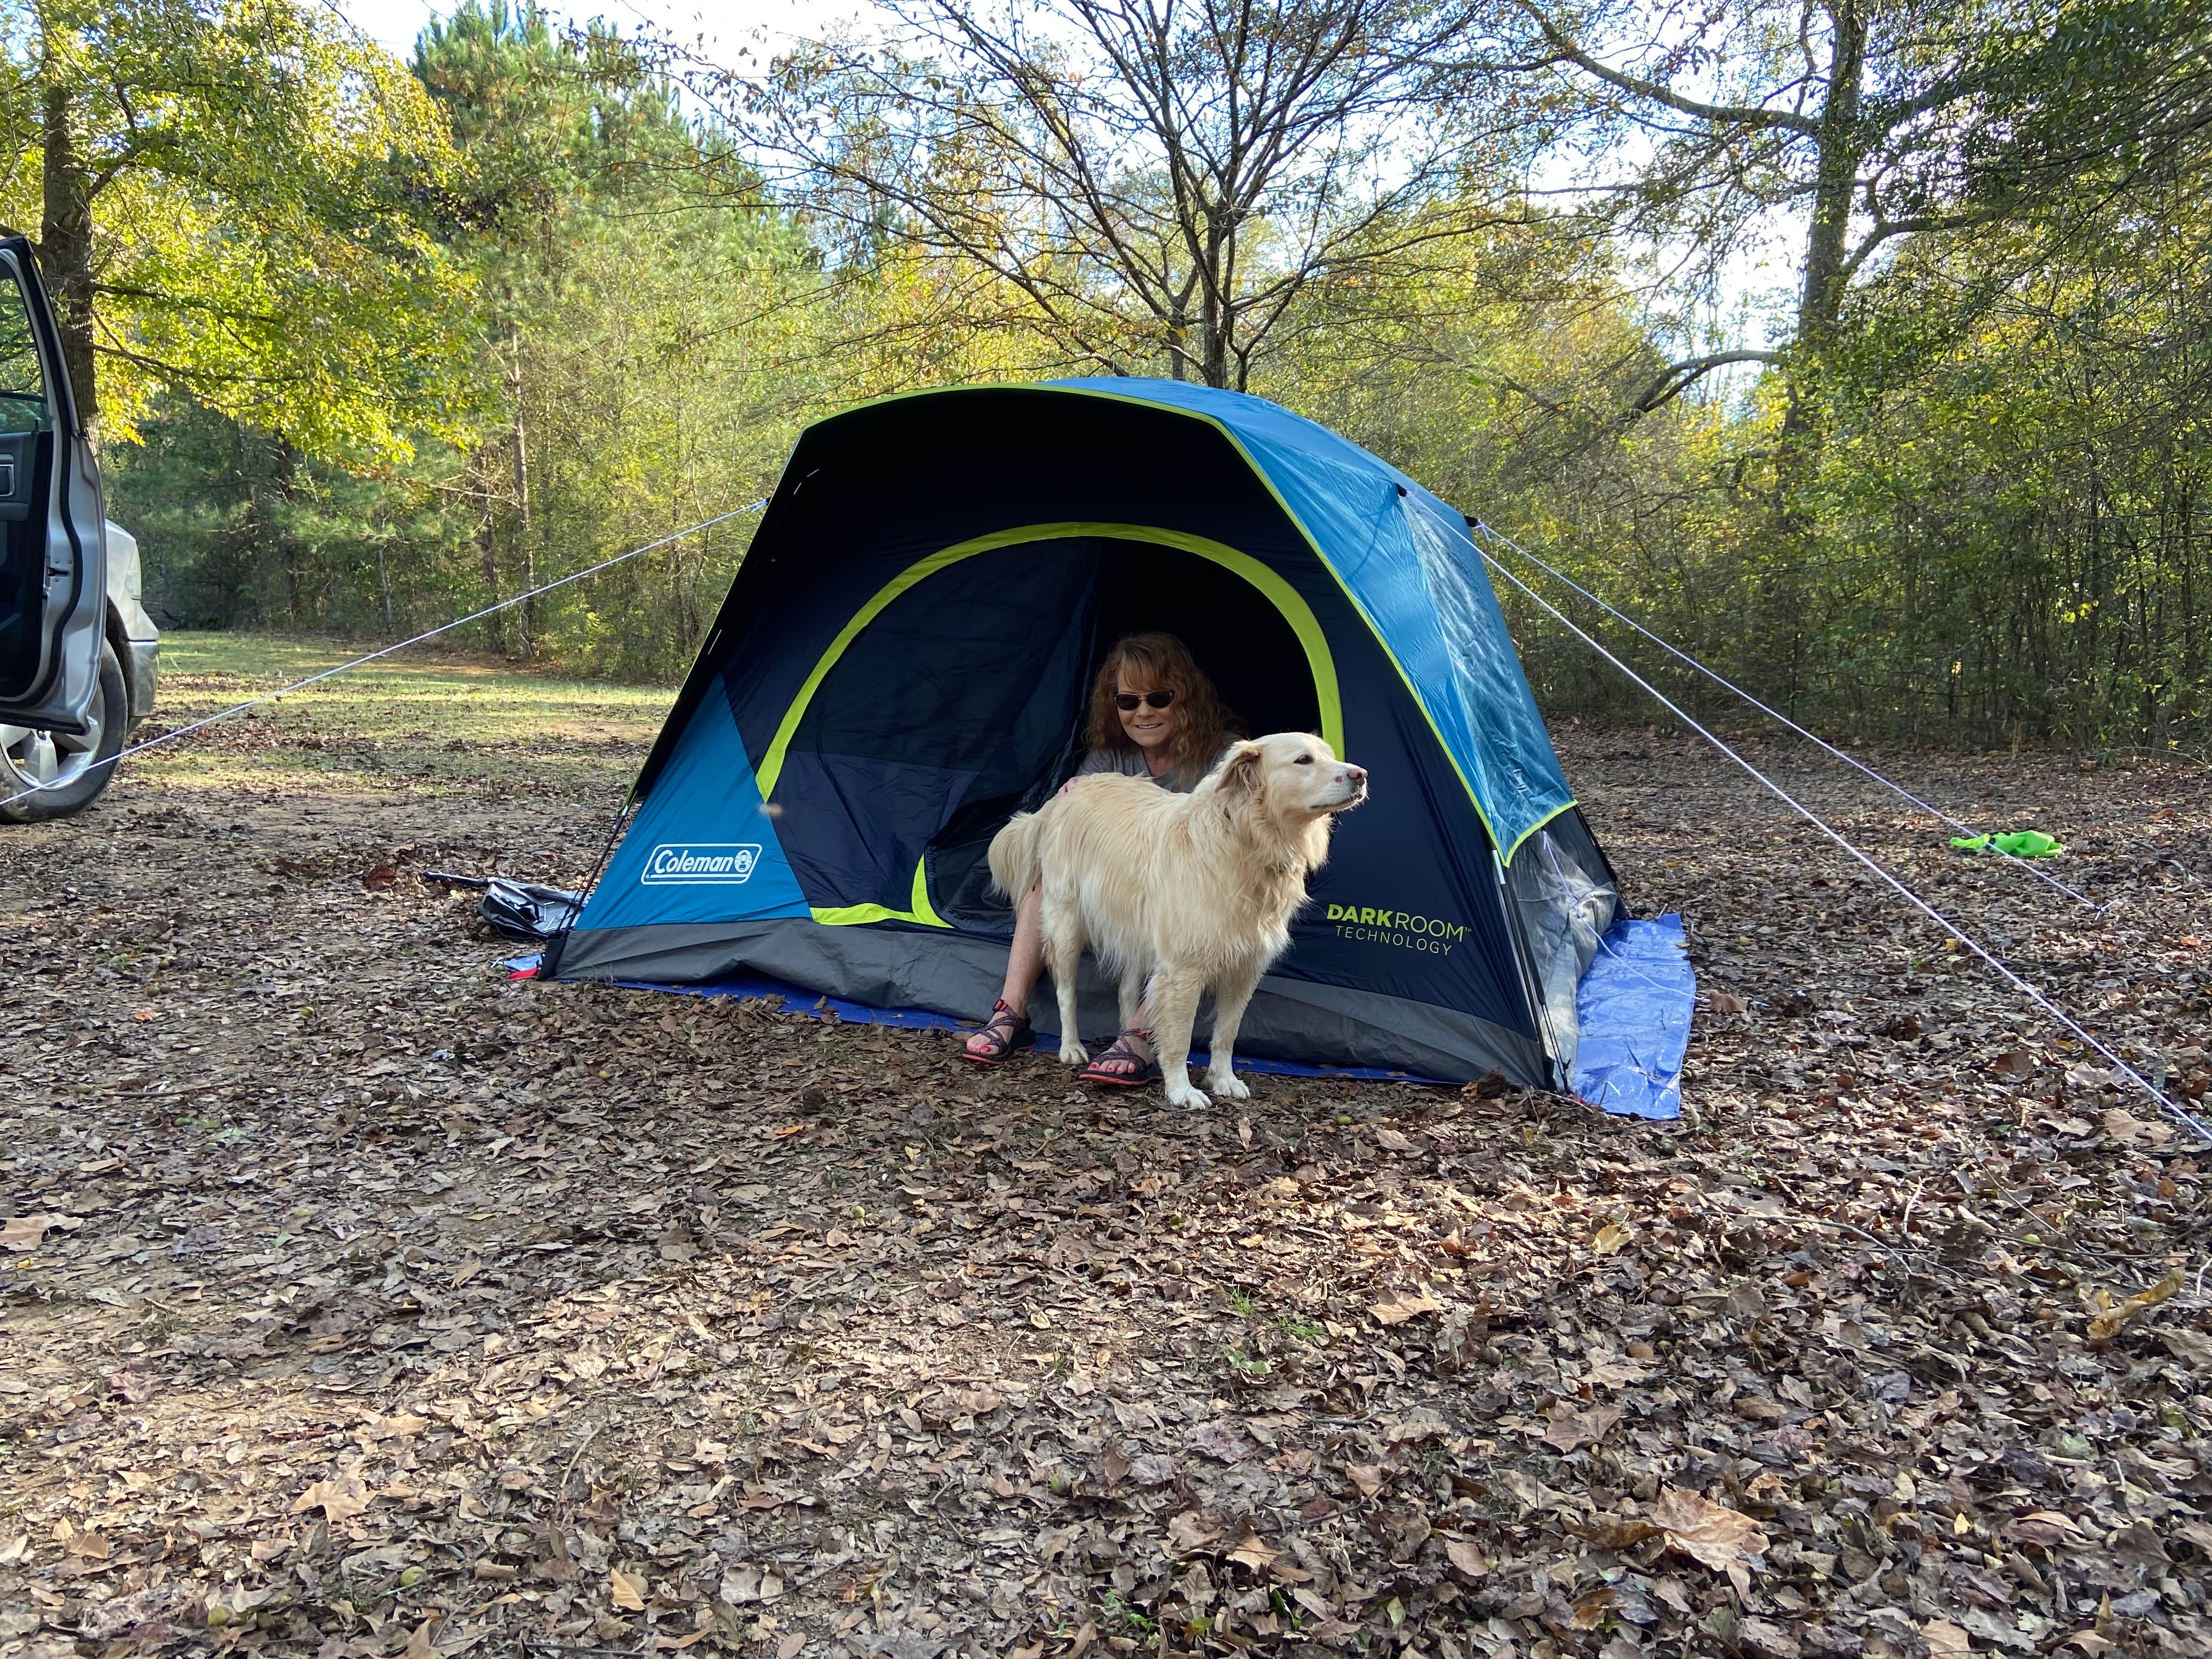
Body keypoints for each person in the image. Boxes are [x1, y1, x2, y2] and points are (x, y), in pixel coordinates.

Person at [960, 632, 1239, 1083]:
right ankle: (1011, 1013)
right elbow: (1078, 831)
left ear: (1186, 699)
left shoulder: (1226, 758)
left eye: (1159, 697)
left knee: (1194, 915)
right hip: (1123, 889)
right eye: (1128, 701)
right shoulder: (1109, 758)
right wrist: (1071, 797)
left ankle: (1143, 1033)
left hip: (1197, 896)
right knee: (1047, 881)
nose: (1143, 711)